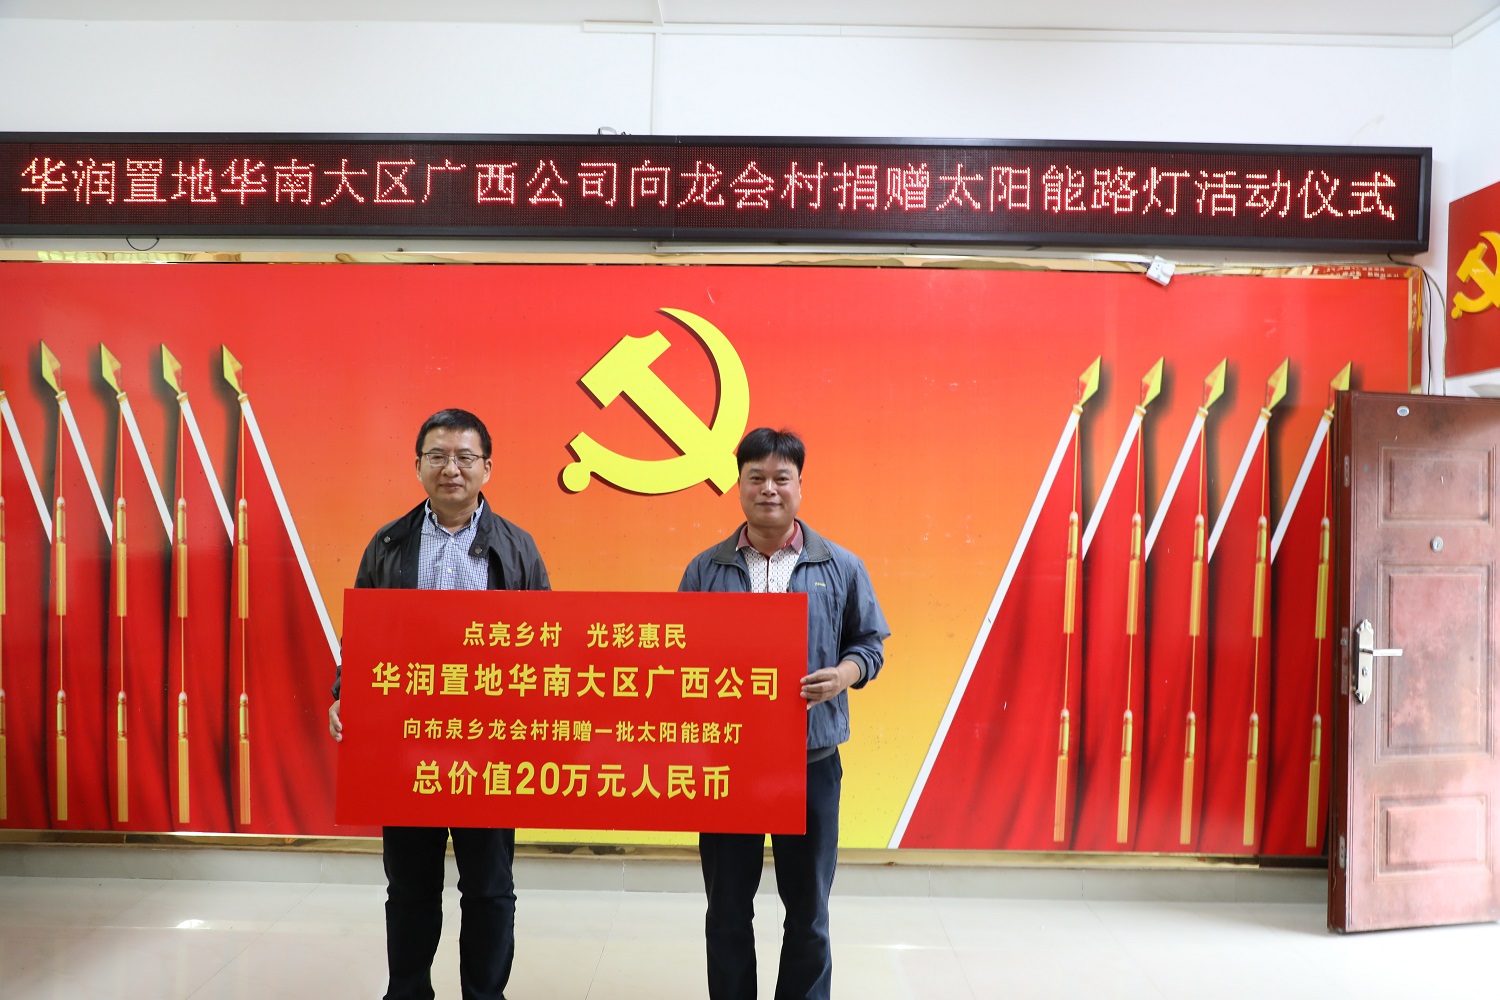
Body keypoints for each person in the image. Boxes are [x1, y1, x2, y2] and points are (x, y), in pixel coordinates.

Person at [328, 407, 550, 1000]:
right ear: (419, 465)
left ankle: (485, 994)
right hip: (407, 745)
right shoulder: (389, 543)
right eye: (438, 457)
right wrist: (346, 694)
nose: (451, 469)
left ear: (486, 468)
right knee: (409, 886)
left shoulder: (517, 548)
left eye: (464, 457)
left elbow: (545, 641)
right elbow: (362, 639)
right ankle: (407, 991)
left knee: (489, 888)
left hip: (489, 746)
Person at [678, 427, 890, 1000]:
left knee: (809, 909)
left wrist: (842, 676)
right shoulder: (705, 570)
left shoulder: (840, 565)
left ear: (800, 485)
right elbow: (679, 654)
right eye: (756, 478)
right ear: (739, 485)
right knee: (726, 908)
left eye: (781, 478)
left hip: (811, 761)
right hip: (729, 766)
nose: (768, 489)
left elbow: (869, 646)